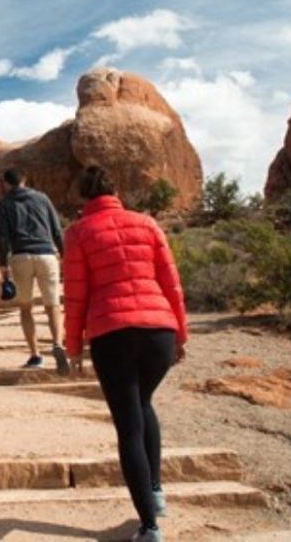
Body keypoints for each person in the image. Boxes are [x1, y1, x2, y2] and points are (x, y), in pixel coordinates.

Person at [62, 165, 189, 542]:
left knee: (129, 425)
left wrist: (73, 346)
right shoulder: (147, 224)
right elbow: (171, 282)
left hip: (111, 333)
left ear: (83, 196)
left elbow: (75, 294)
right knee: (143, 404)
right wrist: (181, 334)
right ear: (115, 191)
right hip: (158, 331)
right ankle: (156, 491)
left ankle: (149, 526)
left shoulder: (79, 232)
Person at [0, 168, 68, 373]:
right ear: (24, 180)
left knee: (26, 308)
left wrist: (3, 263)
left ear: (6, 183)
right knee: (53, 305)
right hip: (46, 255)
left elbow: (2, 236)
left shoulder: (3, 204)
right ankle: (58, 344)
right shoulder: (42, 198)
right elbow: (56, 229)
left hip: (21, 256)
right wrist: (64, 253)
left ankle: (36, 355)